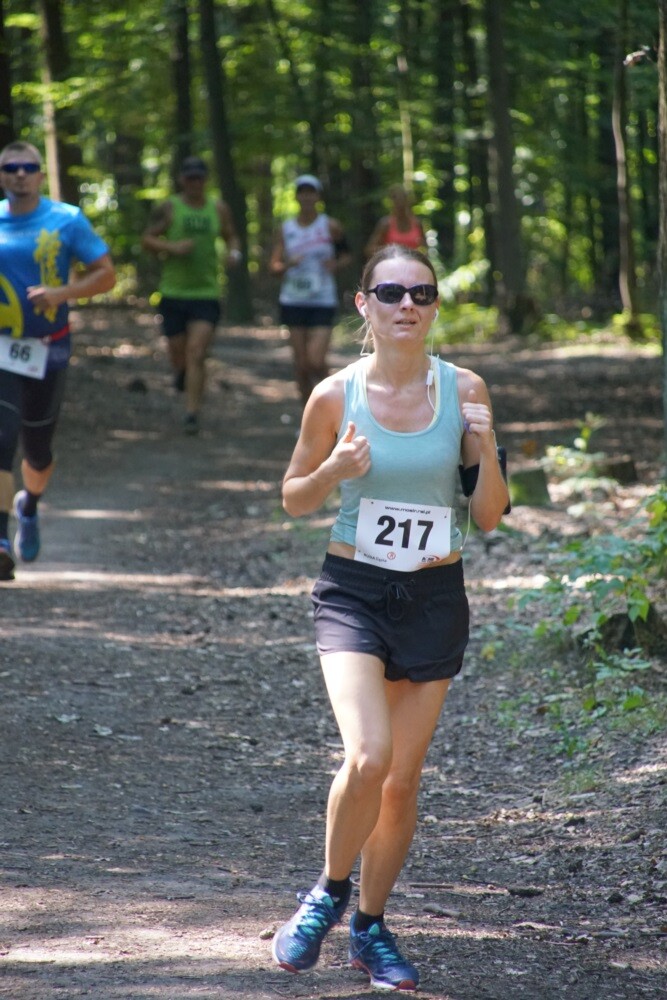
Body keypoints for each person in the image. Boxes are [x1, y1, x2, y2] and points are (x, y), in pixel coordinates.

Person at [272, 244, 509, 990]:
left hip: (436, 596)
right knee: (368, 755)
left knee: (401, 783)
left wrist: (483, 443)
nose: (407, 306)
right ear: (362, 306)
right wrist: (332, 472)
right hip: (352, 592)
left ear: (435, 306)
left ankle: (369, 929)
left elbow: (490, 516)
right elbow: (293, 498)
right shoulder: (333, 396)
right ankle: (326, 893)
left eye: (422, 294)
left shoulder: (465, 387)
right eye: (390, 292)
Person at [0, 140, 116, 582]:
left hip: (49, 347)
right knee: (1, 437)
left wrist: (61, 294)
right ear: (2, 175)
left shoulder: (65, 219)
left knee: (38, 450)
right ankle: (0, 540)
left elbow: (106, 274)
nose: (21, 174)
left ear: (40, 175)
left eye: (29, 167)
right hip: (2, 348)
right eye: (11, 168)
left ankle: (28, 503)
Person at [141, 156, 241, 435]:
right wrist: (172, 248)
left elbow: (231, 235)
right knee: (178, 353)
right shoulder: (170, 208)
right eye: (190, 178)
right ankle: (182, 374)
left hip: (206, 293)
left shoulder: (217, 208)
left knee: (197, 352)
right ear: (182, 180)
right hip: (173, 293)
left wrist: (234, 252)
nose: (195, 183)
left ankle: (191, 413)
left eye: (199, 178)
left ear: (205, 180)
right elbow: (147, 239)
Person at [269, 174, 351, 404]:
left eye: (311, 192)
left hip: (322, 299)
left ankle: (336, 400)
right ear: (296, 196)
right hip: (293, 299)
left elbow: (347, 256)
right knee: (302, 364)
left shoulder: (330, 226)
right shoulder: (286, 229)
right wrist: (286, 265)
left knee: (316, 360)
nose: (307, 197)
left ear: (318, 196)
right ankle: (308, 414)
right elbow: (273, 266)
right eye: (302, 192)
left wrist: (336, 264)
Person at [364, 184, 426, 258]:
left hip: (413, 264)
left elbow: (425, 248)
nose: (400, 205)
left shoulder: (417, 223)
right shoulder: (385, 223)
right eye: (397, 202)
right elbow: (369, 250)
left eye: (403, 201)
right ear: (392, 204)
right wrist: (391, 250)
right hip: (391, 264)